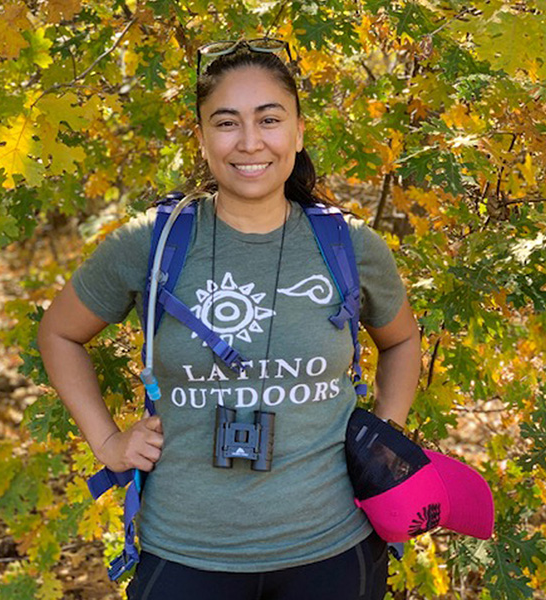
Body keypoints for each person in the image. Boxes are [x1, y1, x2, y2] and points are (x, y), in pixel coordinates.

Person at [37, 38, 421, 600]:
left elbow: (403, 339)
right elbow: (59, 333)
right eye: (225, 122)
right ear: (201, 137)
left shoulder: (349, 245)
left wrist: (381, 435)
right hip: (187, 552)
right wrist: (108, 443)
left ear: (298, 131)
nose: (249, 142)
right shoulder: (151, 242)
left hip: (333, 548)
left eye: (269, 119)